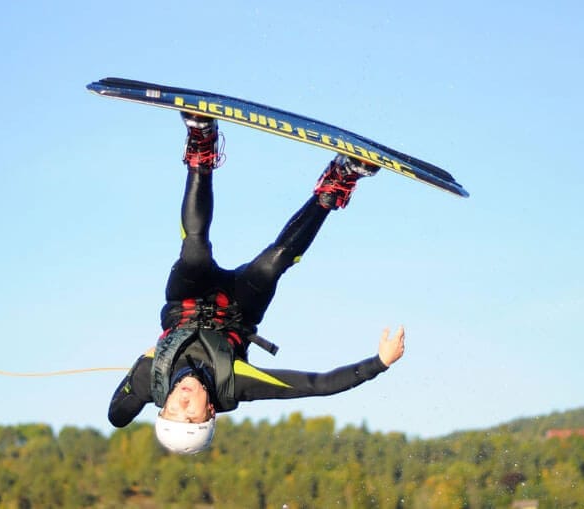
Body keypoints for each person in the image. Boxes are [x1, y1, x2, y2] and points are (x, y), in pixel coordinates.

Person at [107, 112, 406, 454]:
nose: (182, 406)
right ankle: (337, 182)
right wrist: (379, 364)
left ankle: (201, 146)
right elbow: (317, 385)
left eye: (172, 412)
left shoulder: (149, 380)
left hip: (187, 301)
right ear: (211, 412)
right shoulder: (235, 386)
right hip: (238, 310)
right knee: (273, 263)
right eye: (191, 417)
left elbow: (117, 415)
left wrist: (136, 378)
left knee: (195, 251)